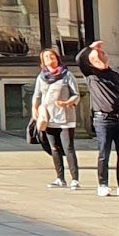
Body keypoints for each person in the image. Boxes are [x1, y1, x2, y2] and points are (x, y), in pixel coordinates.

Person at [77, 39, 119, 196]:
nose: (100, 59)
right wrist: (90, 48)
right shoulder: (92, 76)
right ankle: (102, 184)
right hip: (103, 119)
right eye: (96, 57)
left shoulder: (115, 76)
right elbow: (79, 60)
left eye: (102, 55)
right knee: (104, 153)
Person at [30, 47, 81, 190]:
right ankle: (60, 178)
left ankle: (75, 179)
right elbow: (37, 95)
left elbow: (76, 94)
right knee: (54, 148)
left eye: (52, 56)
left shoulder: (67, 75)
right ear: (43, 62)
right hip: (48, 117)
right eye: (46, 57)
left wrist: (67, 103)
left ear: (57, 58)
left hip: (65, 117)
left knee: (68, 147)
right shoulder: (42, 77)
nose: (49, 59)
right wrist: (35, 109)